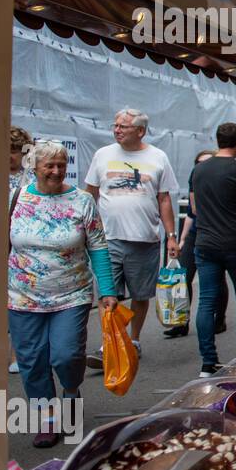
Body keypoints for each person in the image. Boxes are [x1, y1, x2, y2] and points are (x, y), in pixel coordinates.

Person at [8, 141, 118, 447]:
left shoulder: (82, 201)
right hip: (21, 295)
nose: (57, 171)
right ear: (35, 167)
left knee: (66, 355)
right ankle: (47, 418)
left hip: (71, 294)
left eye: (62, 165)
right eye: (50, 166)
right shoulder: (16, 198)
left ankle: (70, 390)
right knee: (31, 361)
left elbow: (98, 246)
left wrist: (107, 290)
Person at [84, 108, 180, 357]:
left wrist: (171, 235)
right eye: (115, 126)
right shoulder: (102, 155)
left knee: (140, 294)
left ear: (140, 131)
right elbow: (90, 194)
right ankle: (110, 342)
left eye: (123, 127)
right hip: (108, 239)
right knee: (108, 294)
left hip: (145, 239)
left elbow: (164, 199)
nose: (116, 130)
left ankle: (134, 340)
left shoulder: (158, 157)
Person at [189, 123, 236, 375]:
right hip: (235, 243)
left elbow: (196, 209)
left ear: (217, 140)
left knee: (206, 302)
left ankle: (208, 362)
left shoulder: (198, 171)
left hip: (205, 243)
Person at [165, 150, 228, 340]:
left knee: (216, 279)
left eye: (207, 162)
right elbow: (191, 216)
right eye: (199, 163)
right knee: (183, 278)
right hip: (195, 235)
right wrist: (181, 239)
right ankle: (181, 322)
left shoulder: (223, 183)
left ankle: (219, 319)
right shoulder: (195, 181)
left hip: (215, 236)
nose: (203, 167)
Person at [7, 127, 34, 373]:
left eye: (15, 150)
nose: (10, 155)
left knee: (18, 299)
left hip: (21, 243)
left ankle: (17, 354)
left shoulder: (31, 177)